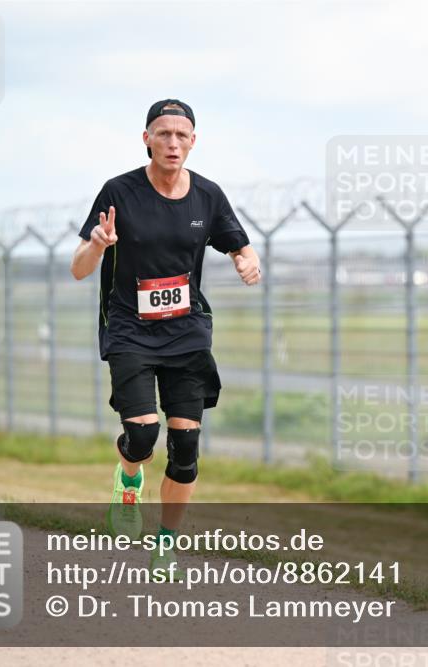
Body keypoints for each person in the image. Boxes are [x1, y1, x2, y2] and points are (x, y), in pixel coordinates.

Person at [71, 99, 260, 574]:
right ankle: (128, 474)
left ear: (193, 141)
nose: (172, 143)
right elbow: (78, 269)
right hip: (130, 329)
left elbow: (238, 243)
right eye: (163, 134)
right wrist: (97, 244)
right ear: (146, 139)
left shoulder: (208, 196)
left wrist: (246, 259)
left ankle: (166, 543)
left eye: (182, 135)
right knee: (142, 434)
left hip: (186, 332)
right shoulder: (119, 192)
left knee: (186, 448)